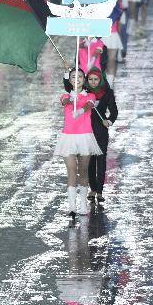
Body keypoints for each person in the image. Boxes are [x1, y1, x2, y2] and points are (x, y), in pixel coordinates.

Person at [55, 69, 102, 219]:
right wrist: (71, 98)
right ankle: (72, 206)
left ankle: (83, 202)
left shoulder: (90, 96)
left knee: (83, 171)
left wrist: (81, 110)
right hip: (68, 138)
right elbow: (64, 102)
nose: (77, 79)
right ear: (69, 80)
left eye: (80, 76)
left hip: (84, 138)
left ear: (84, 80)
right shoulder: (65, 96)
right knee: (71, 170)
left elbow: (89, 105)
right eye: (74, 77)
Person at [83, 68, 117, 205]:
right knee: (90, 161)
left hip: (101, 130)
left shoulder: (108, 93)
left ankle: (100, 191)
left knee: (101, 160)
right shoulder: (84, 92)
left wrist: (108, 121)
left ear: (100, 79)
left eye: (96, 79)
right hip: (86, 130)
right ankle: (93, 189)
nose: (93, 82)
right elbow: (69, 87)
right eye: (90, 79)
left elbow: (114, 111)